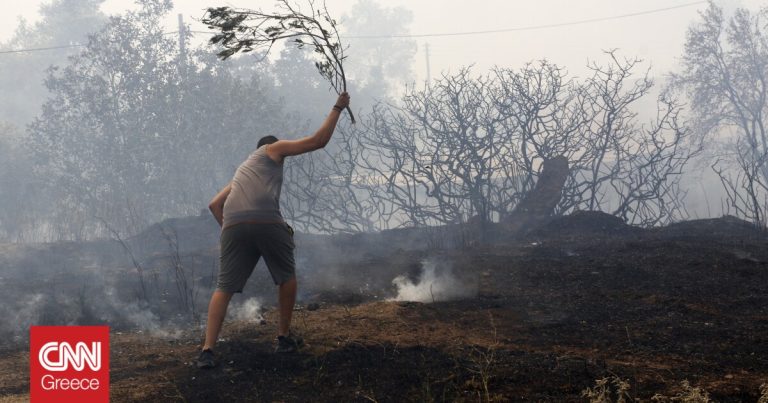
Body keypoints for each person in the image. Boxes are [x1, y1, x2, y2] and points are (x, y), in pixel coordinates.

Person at [197, 92, 351, 368]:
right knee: (286, 276)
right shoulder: (272, 149)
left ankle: (207, 351)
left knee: (224, 287)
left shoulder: (243, 171)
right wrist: (338, 107)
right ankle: (283, 337)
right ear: (271, 146)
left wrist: (232, 232)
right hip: (266, 221)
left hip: (233, 224)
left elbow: (214, 205)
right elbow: (319, 141)